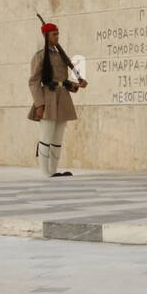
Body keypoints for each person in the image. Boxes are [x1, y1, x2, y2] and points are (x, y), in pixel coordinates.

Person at [28, 21, 87, 177]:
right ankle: (44, 172)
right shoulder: (39, 56)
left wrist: (76, 85)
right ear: (46, 36)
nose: (57, 37)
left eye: (58, 34)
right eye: (54, 34)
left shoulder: (60, 56)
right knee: (46, 136)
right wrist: (39, 104)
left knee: (58, 137)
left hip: (63, 98)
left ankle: (53, 170)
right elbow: (34, 82)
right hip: (48, 97)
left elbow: (63, 80)